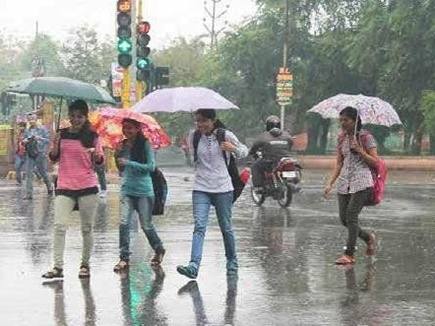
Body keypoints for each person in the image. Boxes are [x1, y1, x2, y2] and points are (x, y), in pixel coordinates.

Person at [176, 109, 248, 279]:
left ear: (213, 120)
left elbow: (245, 151)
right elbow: (194, 160)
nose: (200, 125)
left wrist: (234, 149)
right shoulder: (194, 135)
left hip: (223, 188)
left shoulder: (225, 135)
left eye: (204, 121)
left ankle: (232, 261)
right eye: (198, 121)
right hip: (201, 187)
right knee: (199, 226)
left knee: (226, 227)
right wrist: (187, 150)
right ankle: (193, 266)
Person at [42, 99, 104, 279]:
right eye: (73, 116)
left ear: (85, 117)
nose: (75, 119)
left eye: (80, 116)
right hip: (65, 185)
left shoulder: (93, 136)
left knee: (87, 228)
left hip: (87, 186)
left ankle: (85, 265)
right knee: (59, 226)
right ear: (68, 116)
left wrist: (97, 155)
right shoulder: (61, 135)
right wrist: (54, 144)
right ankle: (57, 267)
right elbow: (53, 159)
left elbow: (100, 162)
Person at [322, 106, 377, 265]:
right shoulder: (341, 138)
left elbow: (375, 162)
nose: (342, 123)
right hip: (345, 182)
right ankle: (368, 238)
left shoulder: (367, 137)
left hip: (362, 182)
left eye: (346, 120)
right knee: (344, 219)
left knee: (351, 216)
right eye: (341, 120)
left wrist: (360, 150)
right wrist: (330, 184)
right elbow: (339, 163)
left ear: (355, 120)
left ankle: (349, 253)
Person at [113, 118, 166, 272]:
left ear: (137, 129)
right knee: (124, 222)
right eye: (124, 128)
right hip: (127, 190)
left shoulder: (145, 145)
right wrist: (117, 157)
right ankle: (124, 258)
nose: (127, 131)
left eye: (130, 128)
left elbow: (151, 167)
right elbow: (121, 169)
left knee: (146, 225)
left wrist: (129, 163)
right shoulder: (122, 145)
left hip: (144, 191)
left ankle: (158, 248)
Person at [248, 115, 294, 190]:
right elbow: (291, 144)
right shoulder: (287, 135)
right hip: (286, 159)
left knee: (255, 166)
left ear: (267, 126)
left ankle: (258, 186)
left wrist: (252, 152)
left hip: (270, 160)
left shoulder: (263, 136)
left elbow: (255, 147)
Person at [22, 113, 53, 199]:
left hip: (40, 154)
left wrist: (40, 138)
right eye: (30, 119)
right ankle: (29, 194)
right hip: (30, 154)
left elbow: (48, 140)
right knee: (28, 173)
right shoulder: (27, 131)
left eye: (33, 119)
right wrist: (24, 141)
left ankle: (49, 186)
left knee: (43, 172)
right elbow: (23, 141)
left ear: (36, 120)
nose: (31, 121)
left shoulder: (42, 129)